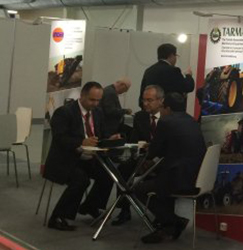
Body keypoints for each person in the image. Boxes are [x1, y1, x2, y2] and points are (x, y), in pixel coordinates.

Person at [43, 81, 115, 231]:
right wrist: (81, 142)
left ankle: (90, 205)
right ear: (82, 95)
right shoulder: (64, 112)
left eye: (98, 100)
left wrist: (110, 139)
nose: (95, 104)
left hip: (88, 159)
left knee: (110, 173)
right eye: (92, 100)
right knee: (81, 180)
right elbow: (60, 138)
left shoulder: (98, 112)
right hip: (64, 160)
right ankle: (58, 217)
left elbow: (101, 135)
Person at [137, 92, 206, 244]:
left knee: (138, 189)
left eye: (162, 107)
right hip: (197, 177)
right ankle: (167, 226)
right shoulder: (192, 121)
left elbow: (153, 152)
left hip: (179, 179)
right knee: (160, 180)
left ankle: (173, 222)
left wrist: (148, 149)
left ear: (167, 108)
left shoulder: (166, 122)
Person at [112, 85, 165, 226]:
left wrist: (153, 158)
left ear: (161, 100)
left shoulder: (168, 117)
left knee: (164, 173)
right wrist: (139, 155)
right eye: (144, 100)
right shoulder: (140, 117)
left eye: (149, 100)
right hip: (142, 157)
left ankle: (162, 215)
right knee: (123, 170)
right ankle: (124, 209)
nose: (145, 103)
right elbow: (134, 141)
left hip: (161, 159)